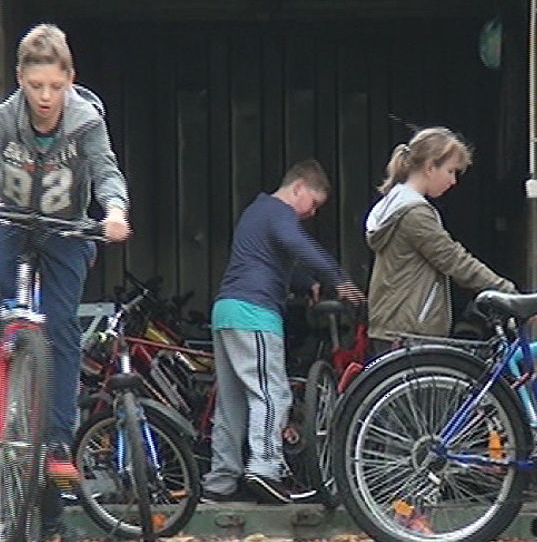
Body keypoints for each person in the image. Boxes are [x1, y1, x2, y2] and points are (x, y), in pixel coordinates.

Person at [0, 23, 131, 488]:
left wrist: (116, 212)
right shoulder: (7, 116)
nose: (46, 97)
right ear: (21, 78)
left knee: (61, 325)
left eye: (56, 87)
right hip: (10, 219)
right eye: (36, 85)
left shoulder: (86, 122)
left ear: (70, 78)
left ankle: (59, 442)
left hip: (66, 229)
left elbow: (106, 173)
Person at [203, 160, 364, 504]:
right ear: (299, 188)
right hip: (254, 314)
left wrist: (307, 285)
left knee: (231, 405)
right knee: (272, 393)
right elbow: (298, 245)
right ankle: (264, 468)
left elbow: (268, 262)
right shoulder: (279, 212)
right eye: (315, 203)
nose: (312, 214)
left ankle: (220, 482)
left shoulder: (255, 212)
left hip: (226, 311)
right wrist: (339, 280)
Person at [365, 127, 516, 354]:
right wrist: (508, 292)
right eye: (451, 171)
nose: (454, 181)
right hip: (409, 331)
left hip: (395, 327)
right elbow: (454, 259)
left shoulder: (394, 204)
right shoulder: (414, 214)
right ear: (430, 167)